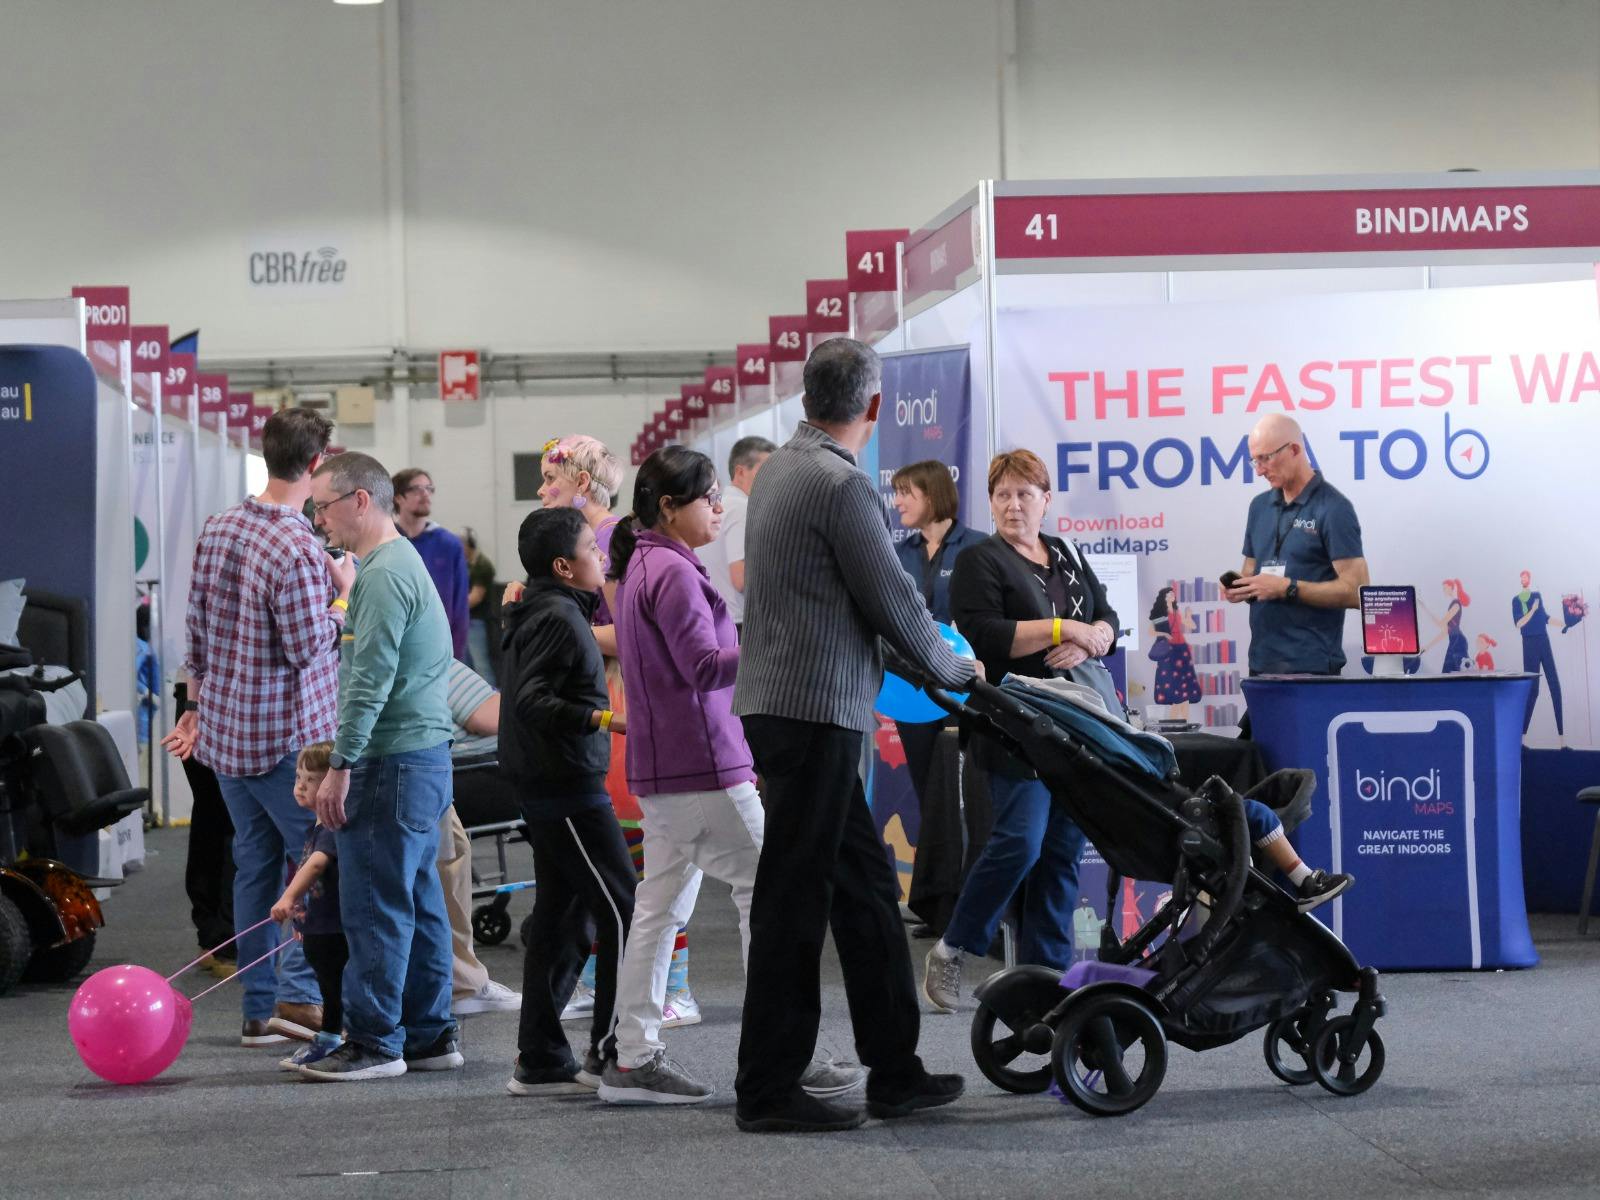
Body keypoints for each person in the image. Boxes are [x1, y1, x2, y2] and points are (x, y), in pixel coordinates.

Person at [732, 336, 977, 1134]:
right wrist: (953, 669)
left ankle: (895, 1071)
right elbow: (893, 601)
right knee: (794, 901)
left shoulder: (775, 473)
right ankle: (767, 1088)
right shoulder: (841, 486)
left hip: (787, 706)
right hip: (814, 713)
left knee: (867, 893)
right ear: (872, 408)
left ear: (806, 399)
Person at [598, 447, 864, 1106]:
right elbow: (703, 666)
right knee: (770, 901)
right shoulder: (671, 572)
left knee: (659, 912)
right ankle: (786, 1055)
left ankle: (632, 1058)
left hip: (667, 768)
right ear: (669, 506)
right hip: (701, 764)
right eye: (709, 498)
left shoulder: (645, 566)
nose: (720, 509)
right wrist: (777, 645)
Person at [164, 407, 347, 1048]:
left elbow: (196, 632)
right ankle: (297, 999)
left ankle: (258, 1008)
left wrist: (195, 709)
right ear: (317, 464)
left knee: (253, 868)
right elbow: (307, 646)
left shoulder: (218, 528)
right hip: (289, 740)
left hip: (227, 735)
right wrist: (343, 597)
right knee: (310, 865)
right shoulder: (299, 546)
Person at [516, 434, 699, 1029]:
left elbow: (632, 633)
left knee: (642, 856)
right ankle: (604, 982)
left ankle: (670, 988)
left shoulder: (610, 539)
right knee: (609, 858)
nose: (542, 489)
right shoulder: (569, 541)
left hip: (621, 699)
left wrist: (553, 618)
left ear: (585, 483)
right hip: (598, 699)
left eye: (552, 478)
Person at [925, 449, 1117, 1013]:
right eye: (1002, 495)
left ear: (1046, 499)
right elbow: (986, 635)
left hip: (1077, 724)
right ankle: (954, 946)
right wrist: (1064, 627)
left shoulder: (1065, 553)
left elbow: (1106, 617)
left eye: (1025, 493)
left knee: (1061, 852)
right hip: (1014, 721)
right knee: (1020, 842)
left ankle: (1047, 978)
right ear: (991, 502)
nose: (1013, 505)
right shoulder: (980, 561)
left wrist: (1094, 635)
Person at [302, 451, 461, 1082]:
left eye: (324, 505)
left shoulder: (385, 573)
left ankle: (373, 1042)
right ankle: (427, 1035)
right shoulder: (395, 565)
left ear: (360, 500)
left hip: (391, 761)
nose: (319, 519)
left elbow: (367, 681)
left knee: (373, 905)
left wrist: (340, 763)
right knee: (416, 903)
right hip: (419, 759)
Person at [498, 506, 636, 1095]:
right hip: (566, 788)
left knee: (563, 919)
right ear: (564, 565)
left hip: (554, 784)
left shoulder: (543, 609)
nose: (601, 557)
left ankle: (542, 1057)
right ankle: (612, 1051)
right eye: (591, 548)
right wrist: (605, 717)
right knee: (624, 909)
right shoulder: (558, 615)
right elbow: (531, 700)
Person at [888, 459, 985, 937]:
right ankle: (938, 904)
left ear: (933, 494)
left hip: (967, 691)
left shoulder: (979, 548)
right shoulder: (898, 552)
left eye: (906, 492)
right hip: (912, 692)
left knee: (966, 798)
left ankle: (969, 905)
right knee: (930, 793)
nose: (898, 501)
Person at [1224, 413, 1368, 676]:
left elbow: (1357, 592)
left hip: (1312, 671)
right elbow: (1249, 570)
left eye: (1265, 458)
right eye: (1254, 460)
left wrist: (1287, 588)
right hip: (1261, 666)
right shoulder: (1259, 507)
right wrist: (1241, 587)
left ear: (1294, 449)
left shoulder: (1334, 508)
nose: (1258, 470)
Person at [441, 656, 522, 1016]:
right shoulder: (434, 657)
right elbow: (490, 718)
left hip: (451, 774)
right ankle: (465, 985)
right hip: (468, 775)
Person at [269, 742, 346, 1072]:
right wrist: (302, 921)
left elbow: (315, 867)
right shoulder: (314, 826)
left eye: (311, 779)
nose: (300, 785)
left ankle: (332, 1036)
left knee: (333, 985)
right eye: (299, 777)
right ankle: (331, 1034)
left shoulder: (330, 826)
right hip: (319, 925)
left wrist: (288, 898)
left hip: (333, 926)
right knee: (327, 983)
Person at [392, 468, 471, 665]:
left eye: (429, 489)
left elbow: (460, 606)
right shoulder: (386, 541)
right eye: (417, 489)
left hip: (438, 653)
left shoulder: (449, 544)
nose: (425, 494)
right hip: (393, 650)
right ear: (398, 498)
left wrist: (455, 658)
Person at [698, 435, 775, 632]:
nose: (773, 478)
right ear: (740, 471)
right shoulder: (742, 509)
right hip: (739, 623)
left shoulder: (721, 506)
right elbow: (741, 578)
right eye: (766, 470)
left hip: (719, 619)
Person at [1512, 569, 1564, 742]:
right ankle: (1523, 738)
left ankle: (1561, 739)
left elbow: (1545, 618)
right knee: (1533, 691)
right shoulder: (1516, 600)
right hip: (1529, 644)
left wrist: (1564, 624)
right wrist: (1532, 610)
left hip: (1543, 641)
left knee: (1555, 686)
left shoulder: (1537, 596)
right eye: (1522, 577)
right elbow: (1519, 623)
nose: (1524, 579)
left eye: (1526, 576)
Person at [1149, 585, 1203, 718]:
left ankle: (1184, 720)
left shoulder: (1176, 611)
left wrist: (1189, 616)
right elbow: (1151, 631)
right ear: (1164, 597)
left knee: (1184, 685)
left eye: (1173, 594)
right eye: (1170, 594)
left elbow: (1192, 625)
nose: (1173, 596)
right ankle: (1174, 720)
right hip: (1169, 651)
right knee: (1172, 684)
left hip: (1182, 649)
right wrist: (1165, 635)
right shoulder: (1160, 614)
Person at [463, 527, 498, 685]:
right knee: (465, 668)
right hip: (464, 621)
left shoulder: (482, 565)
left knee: (481, 666)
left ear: (470, 544)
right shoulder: (465, 564)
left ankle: (492, 704)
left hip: (476, 621)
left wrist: (453, 609)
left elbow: (475, 597)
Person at [1422, 579, 1472, 674]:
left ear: (1451, 588)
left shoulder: (1456, 605)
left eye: (1445, 588)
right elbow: (1444, 632)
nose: (1443, 590)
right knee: (1447, 673)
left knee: (1459, 673)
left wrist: (1425, 608)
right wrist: (1427, 647)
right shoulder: (1453, 605)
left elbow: (1440, 624)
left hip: (1459, 642)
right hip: (1454, 642)